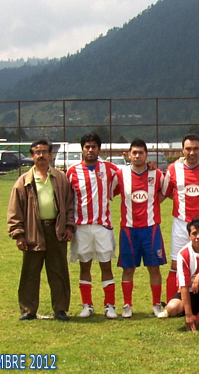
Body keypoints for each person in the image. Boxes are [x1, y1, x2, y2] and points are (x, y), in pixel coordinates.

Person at [7, 139, 74, 321]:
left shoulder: (60, 178)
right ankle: (28, 310)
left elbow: (69, 205)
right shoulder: (23, 181)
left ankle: (60, 309)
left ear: (50, 155)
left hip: (56, 230)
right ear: (32, 156)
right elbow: (15, 209)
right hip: (32, 231)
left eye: (44, 152)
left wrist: (69, 226)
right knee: (30, 272)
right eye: (37, 152)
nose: (41, 155)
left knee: (58, 271)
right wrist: (18, 234)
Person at [161, 134, 199, 302]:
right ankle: (173, 303)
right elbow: (164, 193)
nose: (192, 152)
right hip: (181, 224)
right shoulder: (173, 169)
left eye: (195, 149)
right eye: (188, 149)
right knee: (176, 264)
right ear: (182, 150)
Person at [112, 138, 167, 318]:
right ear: (129, 155)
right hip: (129, 229)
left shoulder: (156, 174)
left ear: (146, 155)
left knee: (154, 267)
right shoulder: (120, 174)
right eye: (134, 153)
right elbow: (110, 193)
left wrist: (153, 205)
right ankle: (127, 305)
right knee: (128, 269)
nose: (137, 156)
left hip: (151, 229)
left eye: (140, 153)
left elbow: (165, 191)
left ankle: (156, 304)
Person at [67, 133, 119, 319]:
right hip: (81, 227)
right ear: (82, 149)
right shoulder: (72, 172)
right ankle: (87, 305)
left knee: (106, 265)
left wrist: (150, 166)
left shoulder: (109, 169)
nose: (90, 150)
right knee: (85, 266)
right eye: (87, 147)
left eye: (93, 147)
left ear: (99, 149)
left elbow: (128, 176)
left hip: (102, 226)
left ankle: (109, 305)